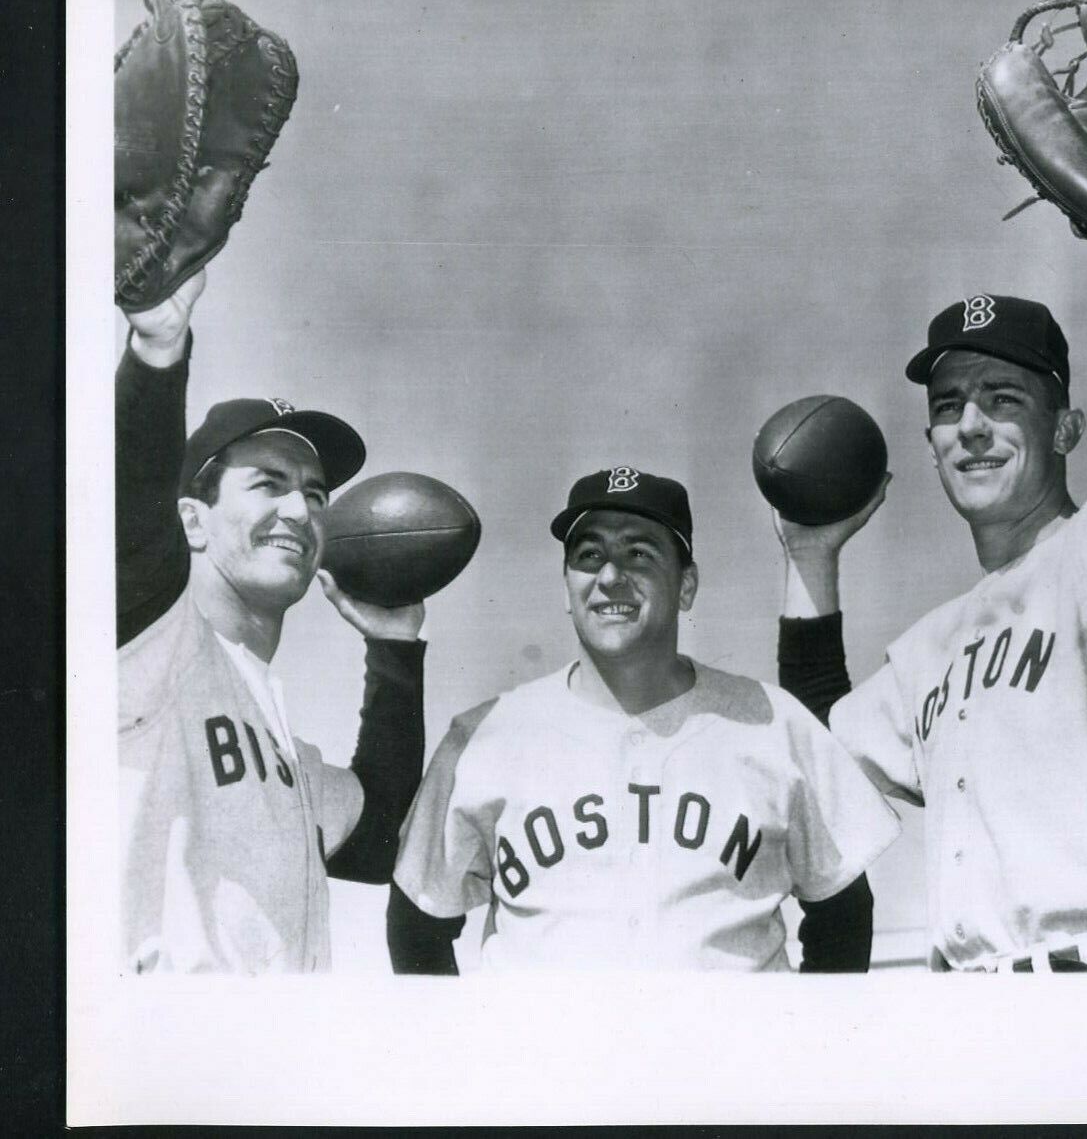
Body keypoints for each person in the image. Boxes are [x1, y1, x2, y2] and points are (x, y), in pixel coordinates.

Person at [773, 236, 1087, 972]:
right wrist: (810, 558)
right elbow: (818, 760)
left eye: (1004, 399)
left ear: (1065, 428)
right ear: (931, 446)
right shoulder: (930, 647)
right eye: (949, 406)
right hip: (976, 1013)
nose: (970, 425)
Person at [386, 467, 900, 972]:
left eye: (639, 553)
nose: (610, 577)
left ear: (686, 586)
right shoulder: (485, 735)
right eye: (589, 555)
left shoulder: (773, 723)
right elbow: (418, 924)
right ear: (567, 587)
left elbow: (842, 914)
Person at [118, 269, 428, 973]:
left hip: (269, 1063)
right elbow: (130, 515)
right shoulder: (146, 639)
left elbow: (378, 836)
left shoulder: (274, 726)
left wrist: (394, 647)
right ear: (191, 519)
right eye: (268, 484)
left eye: (315, 494)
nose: (301, 511)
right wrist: (157, 354)